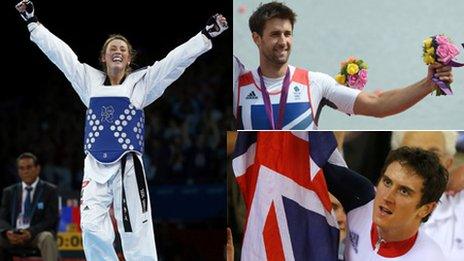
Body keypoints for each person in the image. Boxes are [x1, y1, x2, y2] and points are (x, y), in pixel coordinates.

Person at [15, 0, 228, 260]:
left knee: (134, 230)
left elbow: (174, 61)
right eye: (112, 48)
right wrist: (34, 24)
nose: (117, 51)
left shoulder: (142, 83)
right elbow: (61, 55)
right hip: (94, 165)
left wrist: (205, 36)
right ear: (103, 58)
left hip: (128, 166)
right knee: (91, 227)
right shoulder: (88, 81)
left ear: (129, 58)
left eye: (123, 49)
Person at [233, 1, 454, 130]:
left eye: (287, 34)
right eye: (274, 34)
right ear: (256, 38)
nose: (283, 42)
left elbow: (377, 104)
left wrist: (428, 84)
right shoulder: (239, 85)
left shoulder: (314, 82)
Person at [325, 146, 448, 260]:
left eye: (404, 191)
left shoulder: (430, 257)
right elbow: (320, 155)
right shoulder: (361, 198)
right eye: (387, 182)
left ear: (426, 209)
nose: (387, 197)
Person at [391, 131, 464, 261]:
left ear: (448, 163)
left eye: (434, 155)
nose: (423, 165)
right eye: (412, 154)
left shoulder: (460, 205)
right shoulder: (371, 207)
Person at [0, 152, 59, 261]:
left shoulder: (50, 190)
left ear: (37, 168)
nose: (25, 171)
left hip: (36, 235)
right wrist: (7, 232)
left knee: (47, 238)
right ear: (18, 171)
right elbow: (2, 218)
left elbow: (51, 219)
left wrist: (30, 232)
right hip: (13, 234)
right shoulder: (9, 192)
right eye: (21, 168)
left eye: (29, 167)